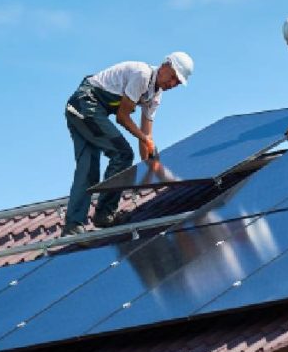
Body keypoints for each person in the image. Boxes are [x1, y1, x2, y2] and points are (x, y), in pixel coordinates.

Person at [62, 52, 193, 236]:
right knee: (122, 154)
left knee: (89, 168)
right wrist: (145, 139)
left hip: (87, 111)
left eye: (177, 83)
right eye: (172, 77)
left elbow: (146, 134)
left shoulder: (155, 96)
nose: (172, 84)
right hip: (85, 104)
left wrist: (151, 167)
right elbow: (122, 117)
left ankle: (73, 226)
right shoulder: (142, 75)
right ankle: (104, 214)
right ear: (165, 65)